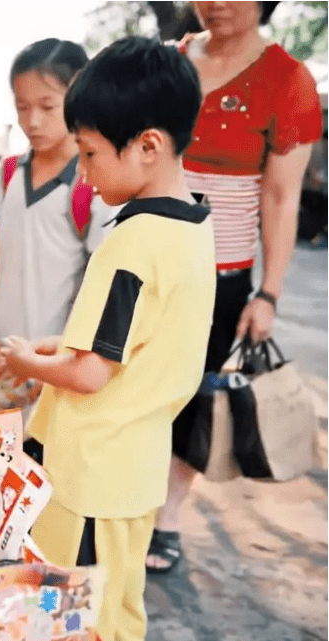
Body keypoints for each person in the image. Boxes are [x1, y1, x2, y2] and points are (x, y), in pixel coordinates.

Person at [4, 37, 215, 641]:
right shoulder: (194, 228)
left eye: (91, 154)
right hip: (136, 464)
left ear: (147, 145)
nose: (86, 174)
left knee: (70, 612)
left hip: (88, 473)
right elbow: (132, 343)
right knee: (119, 607)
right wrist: (59, 345)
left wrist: (26, 360)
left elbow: (91, 372)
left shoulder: (132, 243)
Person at [147, 0, 324, 574]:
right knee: (129, 387)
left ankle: (166, 517)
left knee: (196, 401)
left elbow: (279, 197)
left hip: (220, 279)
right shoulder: (167, 62)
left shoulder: (287, 81)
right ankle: (119, 501)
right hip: (143, 262)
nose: (216, 2)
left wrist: (267, 293)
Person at [0, 39, 110, 451]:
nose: (32, 120)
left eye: (48, 107)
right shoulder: (9, 172)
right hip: (0, 363)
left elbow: (96, 284)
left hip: (54, 368)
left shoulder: (92, 184)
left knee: (40, 476)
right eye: (21, 107)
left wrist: (57, 359)